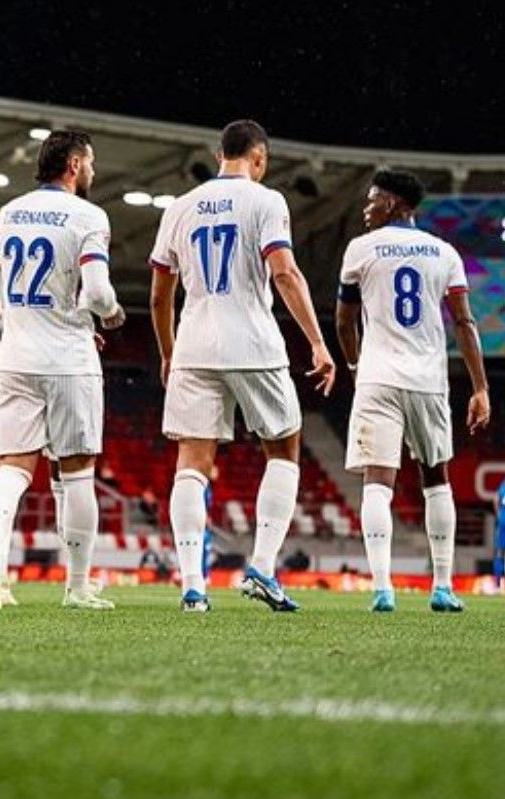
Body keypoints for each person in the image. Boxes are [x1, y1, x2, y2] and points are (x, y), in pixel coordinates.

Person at [149, 119, 336, 613]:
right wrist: (317, 342)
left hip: (194, 343)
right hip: (252, 341)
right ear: (260, 158)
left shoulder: (181, 208)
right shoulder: (266, 201)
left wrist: (168, 352)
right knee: (284, 449)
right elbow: (284, 272)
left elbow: (158, 297)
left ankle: (193, 588)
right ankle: (262, 568)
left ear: (219, 156)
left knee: (193, 463)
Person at [0, 129, 125, 610]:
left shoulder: (9, 214)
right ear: (75, 165)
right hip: (68, 359)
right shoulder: (89, 217)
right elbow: (97, 292)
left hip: (17, 357)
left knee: (12, 470)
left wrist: (1, 361)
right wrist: (113, 313)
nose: (94, 172)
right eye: (92, 163)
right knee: (77, 474)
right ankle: (78, 586)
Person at [336, 169, 490, 613]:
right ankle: (442, 586)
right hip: (428, 380)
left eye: (374, 200)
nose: (367, 208)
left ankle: (382, 588)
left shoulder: (360, 250)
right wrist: (480, 388)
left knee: (377, 483)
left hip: (377, 378)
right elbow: (464, 323)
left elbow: (345, 322)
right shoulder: (445, 253)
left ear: (400, 204)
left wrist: (355, 366)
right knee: (435, 479)